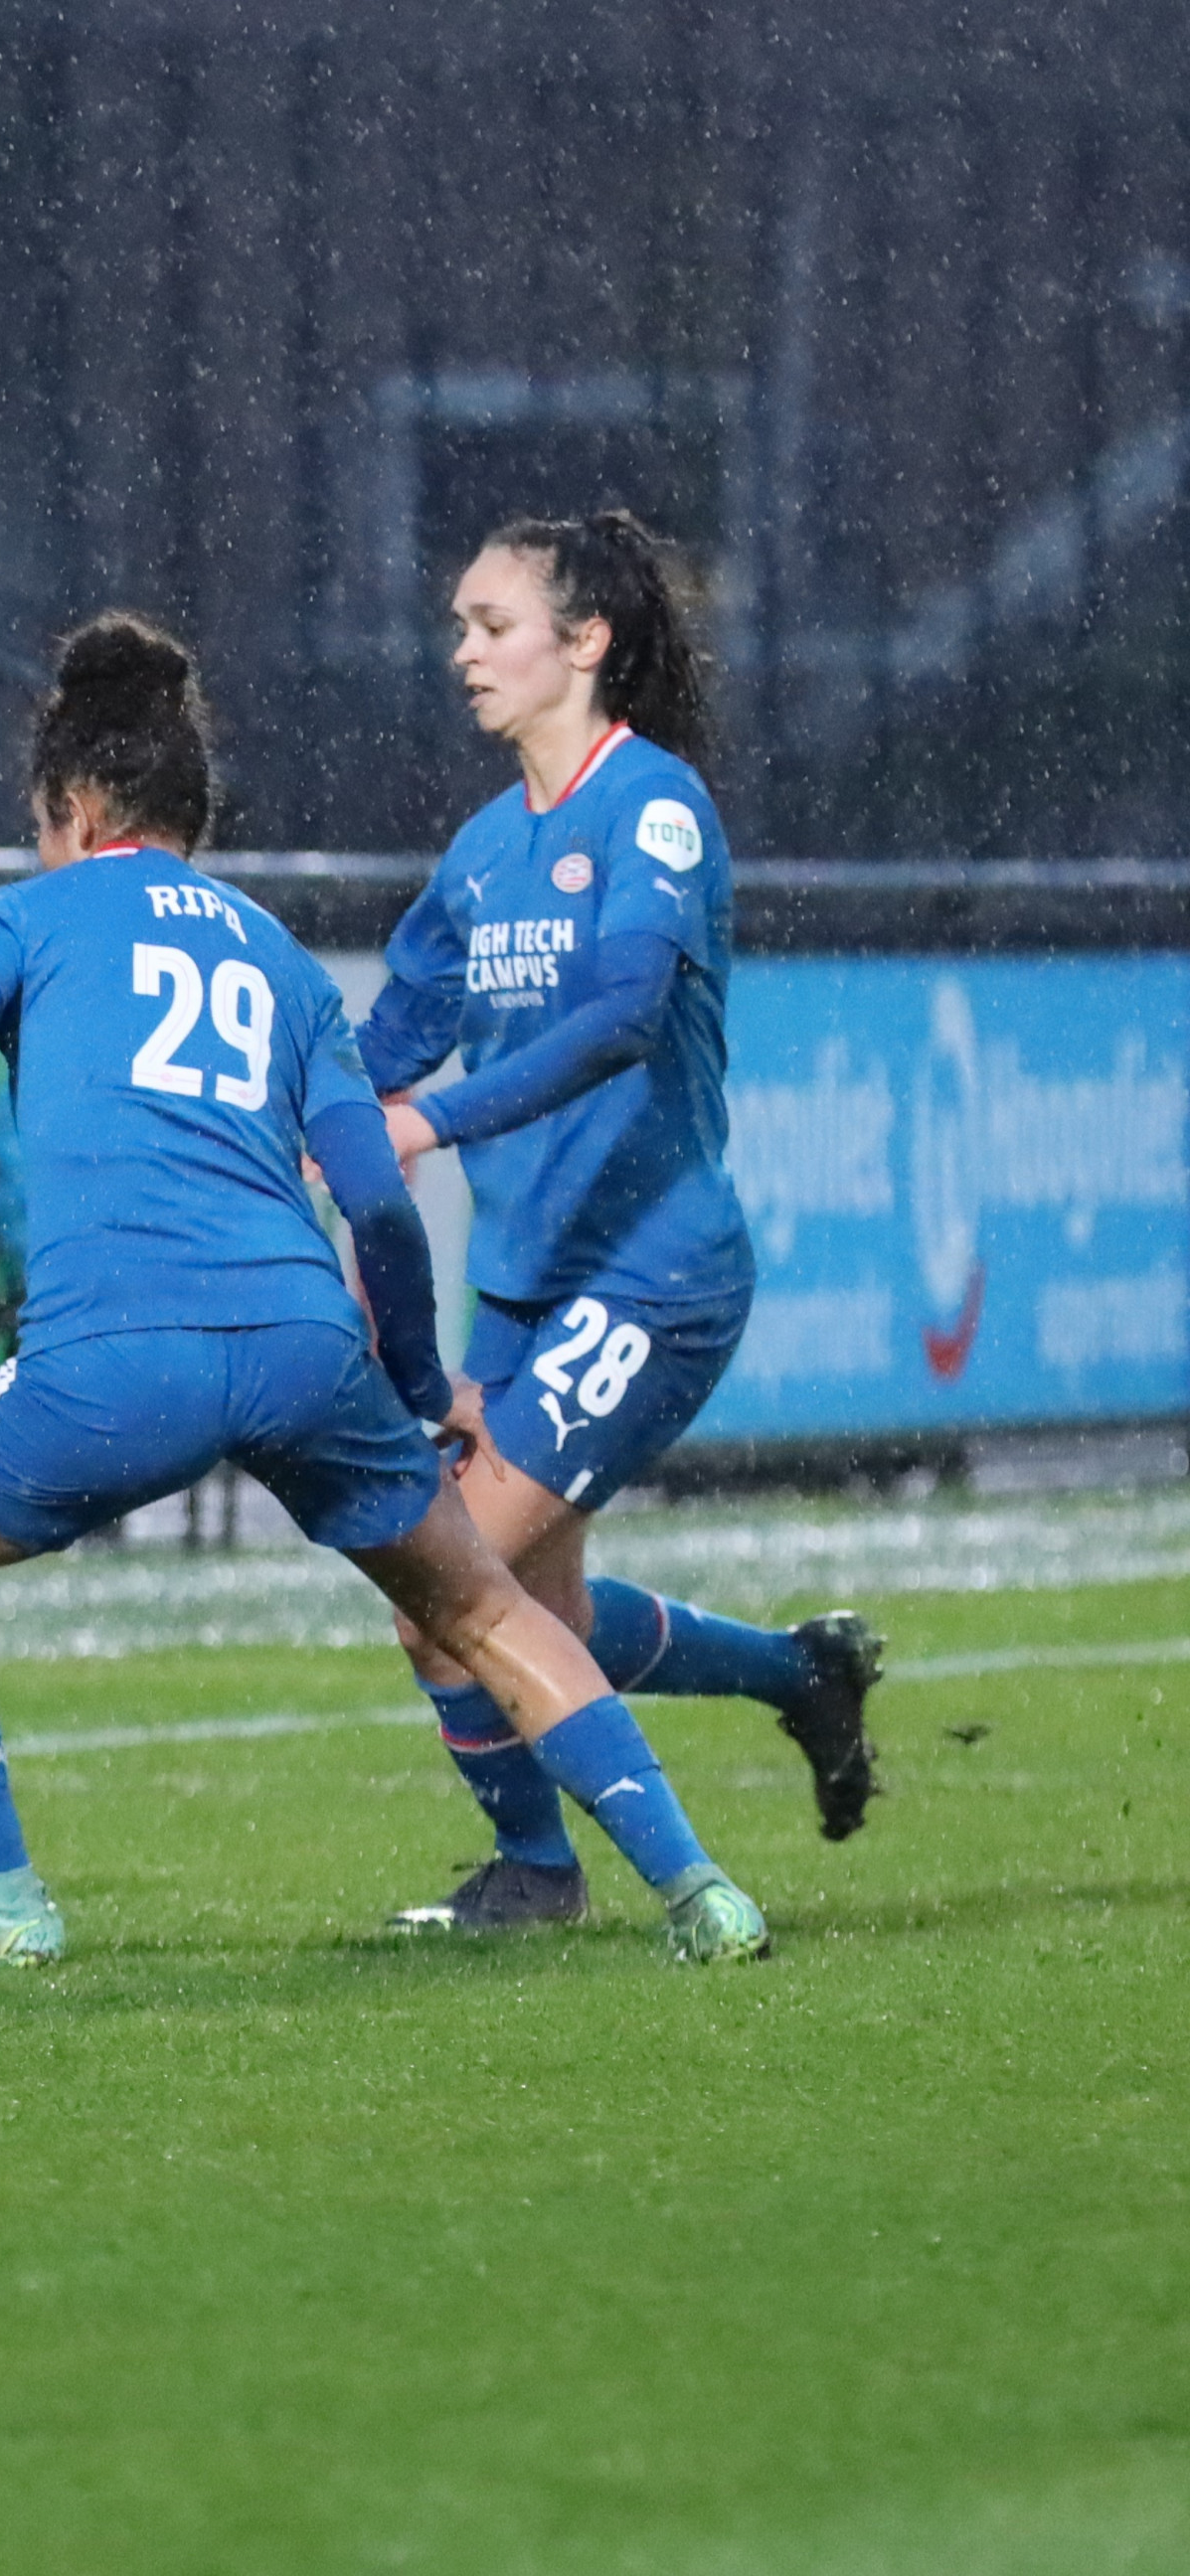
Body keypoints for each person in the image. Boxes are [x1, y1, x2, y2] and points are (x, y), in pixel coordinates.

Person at [0, 614, 769, 1971]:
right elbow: (372, 1192)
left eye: (43, 820)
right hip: (305, 1345)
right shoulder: (280, 958)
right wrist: (424, 1387)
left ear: (75, 808)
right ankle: (703, 1890)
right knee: (486, 1606)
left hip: (121, 1358)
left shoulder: (17, 918)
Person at [360, 513, 882, 1936]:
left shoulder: (652, 808)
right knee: (547, 1623)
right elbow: (385, 1045)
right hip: (527, 1289)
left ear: (584, 643)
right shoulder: (480, 854)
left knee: (437, 1590)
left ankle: (541, 1874)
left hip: (654, 1281)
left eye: (492, 625)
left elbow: (622, 1018)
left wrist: (434, 1123)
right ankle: (797, 1674)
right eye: (459, 625)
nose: (461, 651)